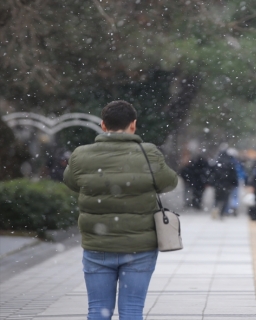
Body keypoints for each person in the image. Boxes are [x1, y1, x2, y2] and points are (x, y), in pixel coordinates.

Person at [63, 100, 178, 320]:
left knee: (97, 310)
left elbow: (71, 182)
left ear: (103, 125)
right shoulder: (149, 153)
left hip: (97, 244)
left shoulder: (81, 155)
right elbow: (169, 182)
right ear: (133, 125)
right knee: (132, 310)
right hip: (139, 247)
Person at [209, 150, 238, 219]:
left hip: (217, 185)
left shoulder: (216, 163)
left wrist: (212, 183)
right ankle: (222, 213)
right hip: (227, 185)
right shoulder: (230, 164)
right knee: (225, 199)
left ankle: (215, 209)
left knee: (216, 199)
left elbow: (212, 175)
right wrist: (234, 183)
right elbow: (233, 175)